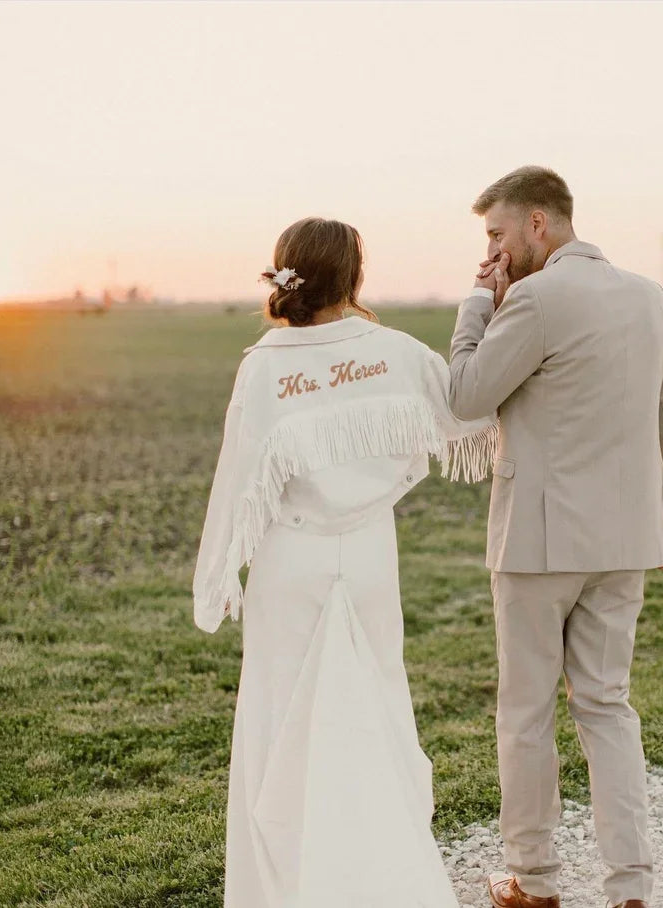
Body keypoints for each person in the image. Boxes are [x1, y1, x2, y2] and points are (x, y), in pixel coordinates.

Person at [192, 216, 498, 907]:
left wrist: (214, 581)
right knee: (375, 705)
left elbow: (236, 481)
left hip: (288, 563)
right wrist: (482, 312)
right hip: (366, 557)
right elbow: (467, 417)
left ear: (288, 274)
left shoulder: (266, 366)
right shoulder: (396, 352)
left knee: (279, 721)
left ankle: (285, 886)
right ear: (353, 275)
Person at [448, 166, 663, 908]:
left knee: (525, 712)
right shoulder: (653, 298)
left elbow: (464, 395)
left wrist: (474, 305)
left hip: (538, 545)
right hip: (626, 541)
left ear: (538, 225)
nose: (492, 251)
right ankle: (632, 887)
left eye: (496, 234)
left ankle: (535, 880)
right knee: (608, 706)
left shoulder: (533, 298)